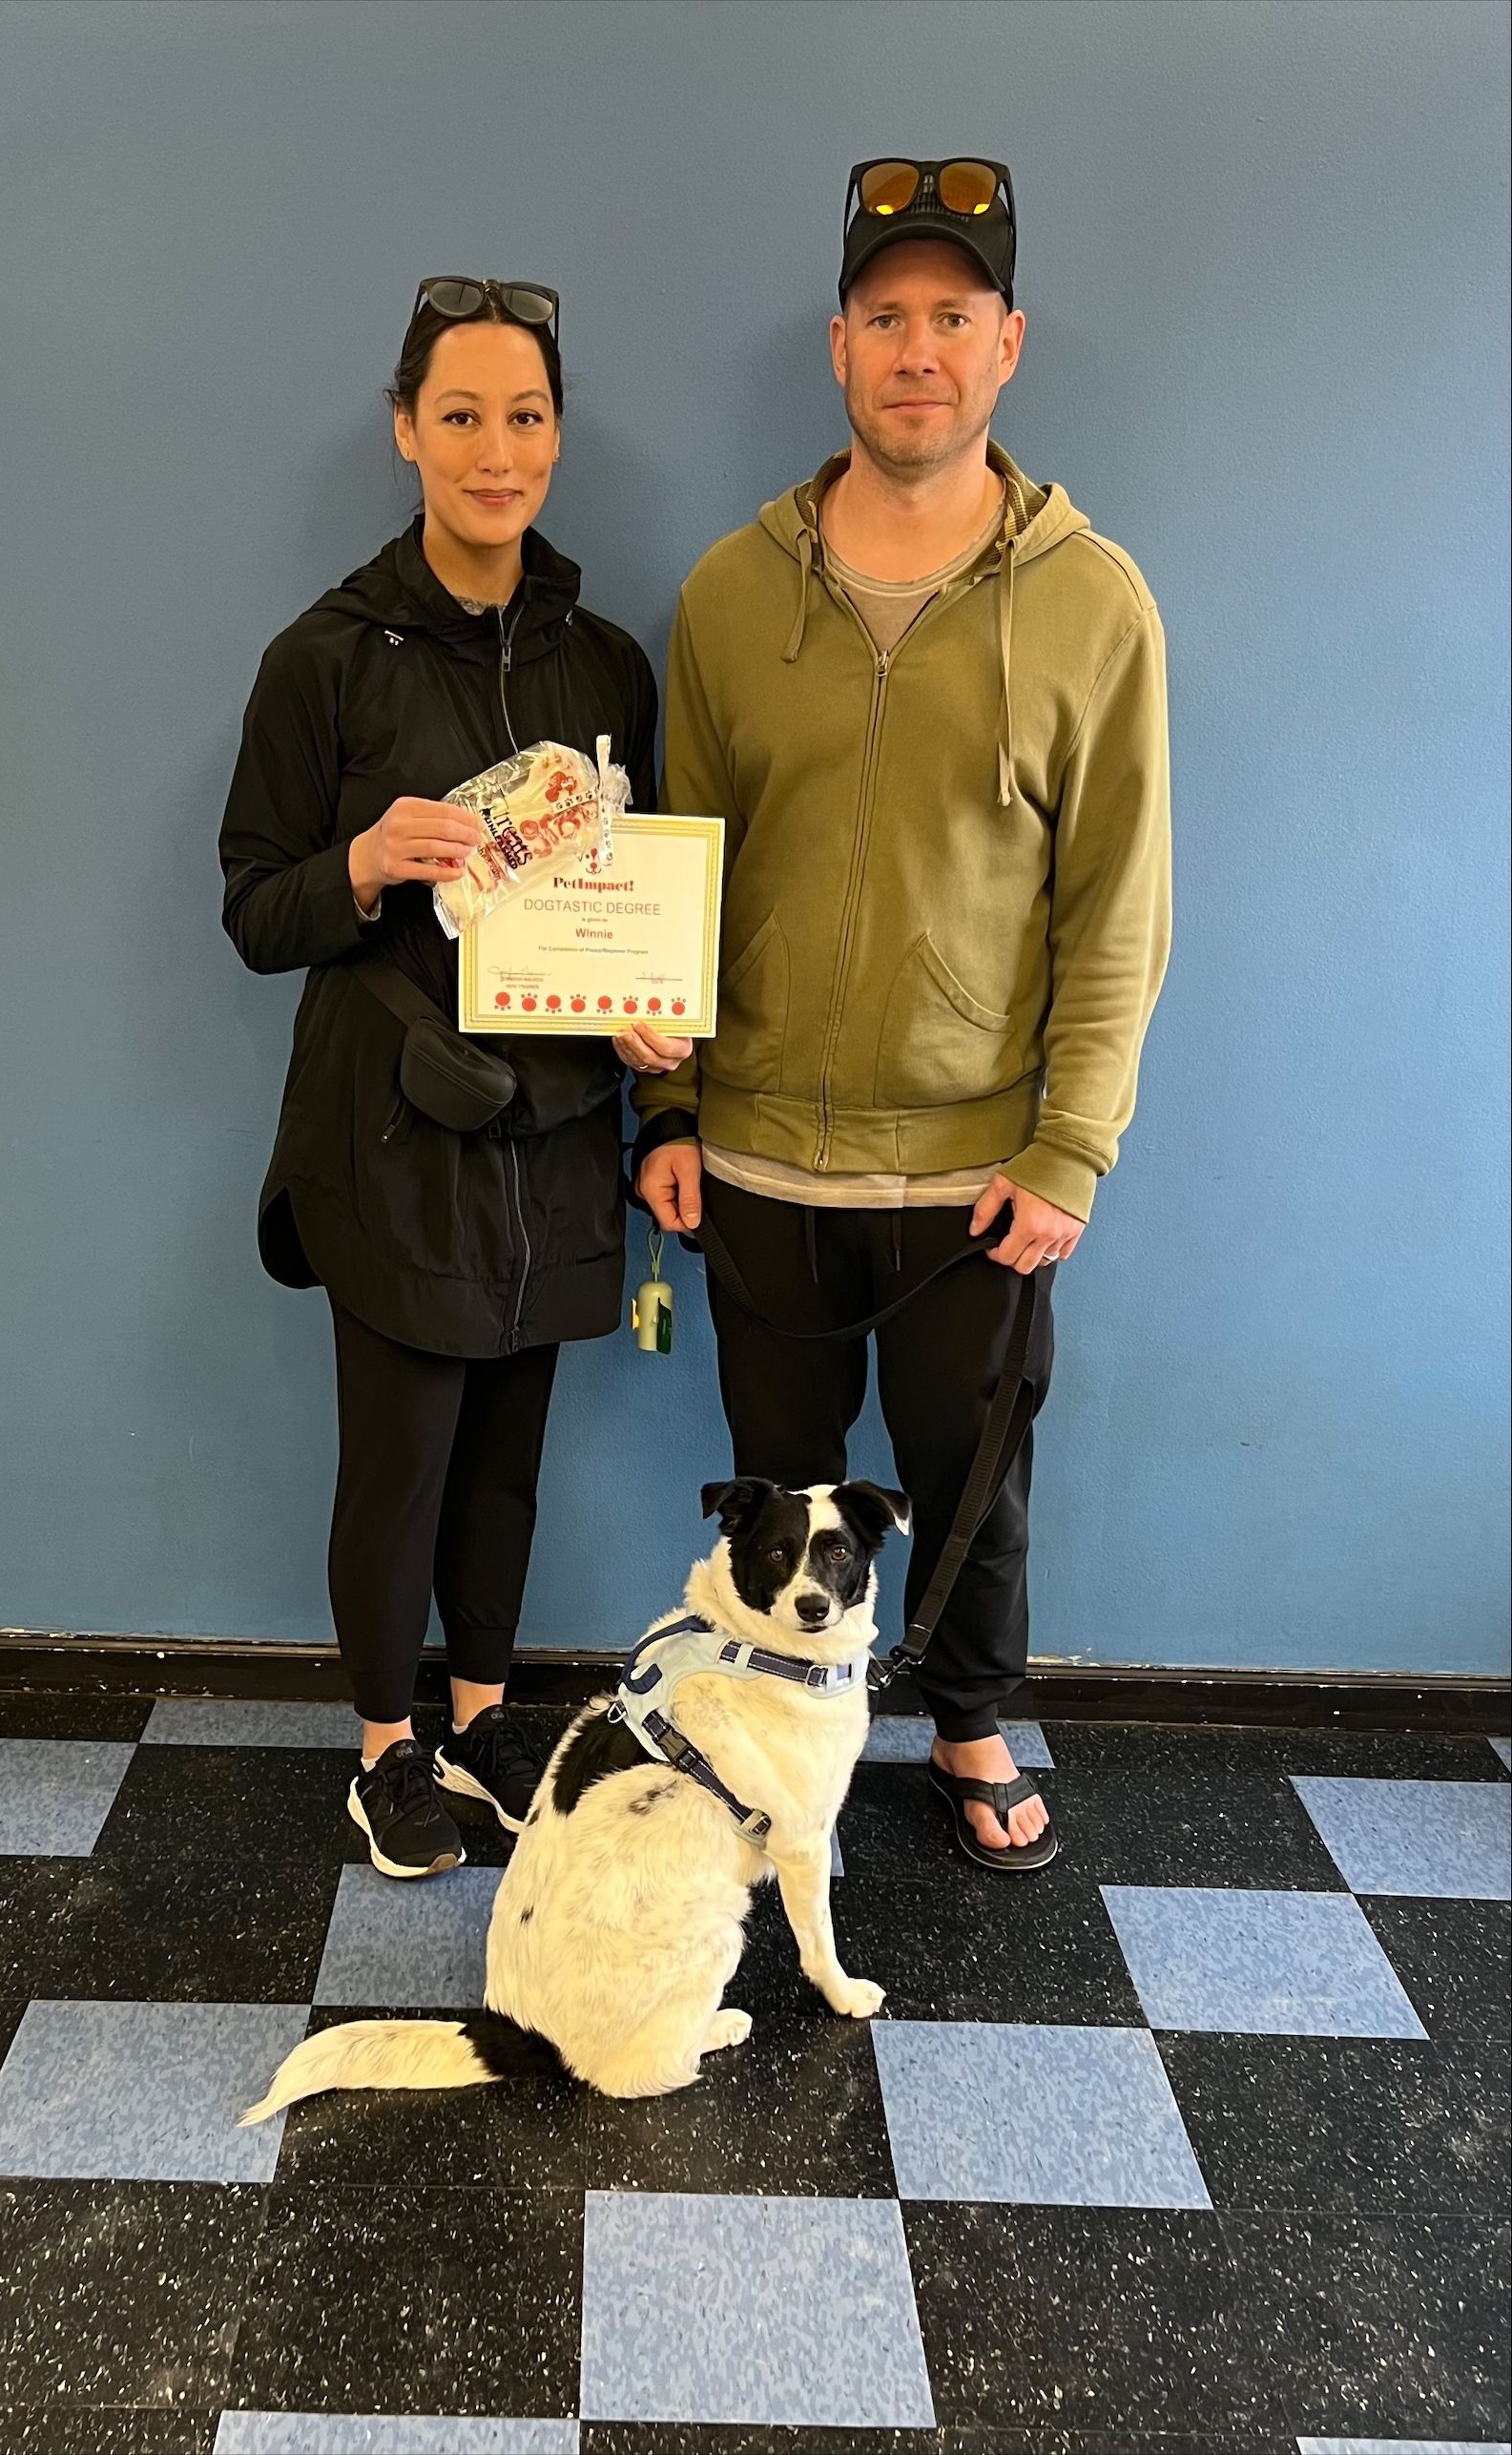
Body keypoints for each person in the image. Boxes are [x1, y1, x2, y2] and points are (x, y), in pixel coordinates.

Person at [627, 159, 1171, 1870]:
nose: (915, 349)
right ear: (839, 349)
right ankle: (767, 1751)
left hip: (975, 1175)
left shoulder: (1095, 604)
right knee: (774, 1481)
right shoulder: (728, 594)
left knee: (972, 1483)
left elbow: (1117, 907)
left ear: (1005, 346)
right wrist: (668, 1107)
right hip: (763, 1157)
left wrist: (1071, 1145)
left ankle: (971, 1722)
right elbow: (676, 873)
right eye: (884, 317)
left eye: (951, 316)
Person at [220, 277, 685, 1877]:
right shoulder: (326, 660)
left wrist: (656, 1047)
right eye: (465, 415)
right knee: (401, 1456)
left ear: (561, 436)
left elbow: (649, 910)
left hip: (558, 1131)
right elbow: (251, 909)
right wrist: (356, 861)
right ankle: (386, 1746)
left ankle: (481, 1717)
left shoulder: (609, 666)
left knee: (508, 1453)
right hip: (392, 1133)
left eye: (529, 416)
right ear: (406, 428)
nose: (500, 451)